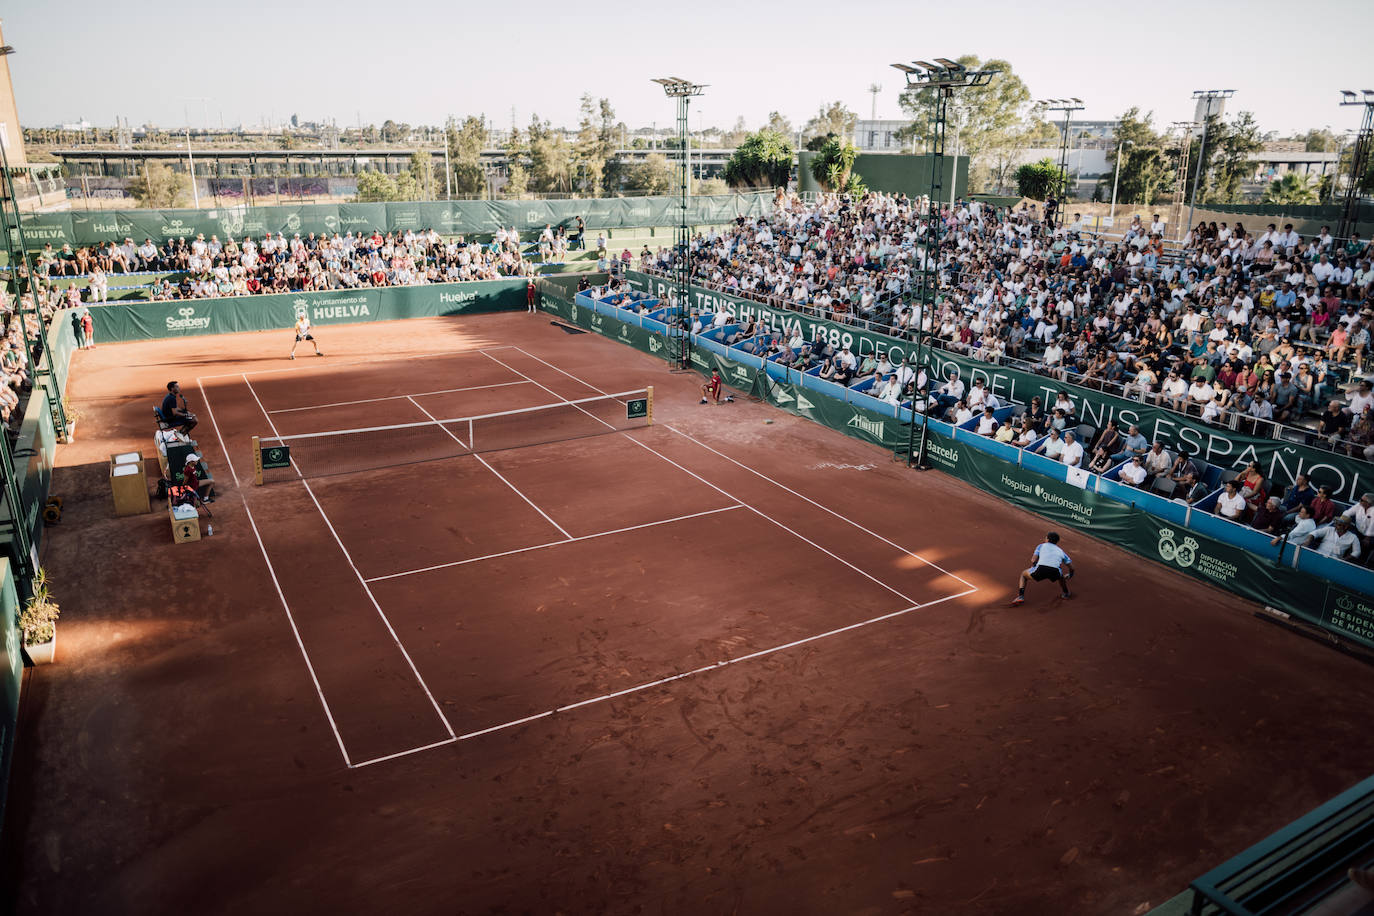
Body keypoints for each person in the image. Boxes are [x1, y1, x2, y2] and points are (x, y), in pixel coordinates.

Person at [1010, 531, 1074, 606]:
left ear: (1047, 539)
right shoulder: (1061, 551)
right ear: (1056, 542)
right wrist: (1070, 574)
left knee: (1023, 575)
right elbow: (1072, 567)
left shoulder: (1041, 546)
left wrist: (1034, 566)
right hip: (1055, 571)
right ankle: (1066, 593)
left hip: (1041, 570)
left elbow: (1033, 559)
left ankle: (1020, 596)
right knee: (1061, 576)